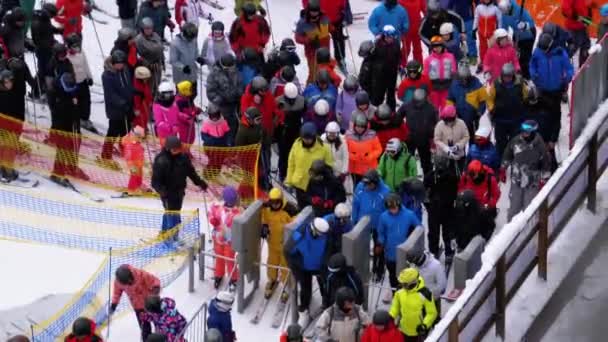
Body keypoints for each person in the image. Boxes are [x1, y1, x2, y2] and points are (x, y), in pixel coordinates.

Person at [151, 136, 208, 240]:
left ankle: (165, 232)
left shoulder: (183, 158)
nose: (177, 151)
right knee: (173, 215)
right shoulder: (161, 161)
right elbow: (155, 181)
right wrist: (162, 191)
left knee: (173, 212)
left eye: (178, 149)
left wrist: (200, 182)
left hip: (179, 191)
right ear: (168, 149)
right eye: (174, 150)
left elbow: (191, 172)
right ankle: (171, 237)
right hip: (167, 193)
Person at [284, 217, 331, 327]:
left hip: (319, 266)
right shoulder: (300, 234)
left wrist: (325, 263)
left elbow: (330, 248)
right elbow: (287, 250)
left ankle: (327, 306)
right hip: (304, 267)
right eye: (320, 234)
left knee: (326, 285)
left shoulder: (326, 234)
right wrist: (298, 266)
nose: (322, 236)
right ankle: (304, 311)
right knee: (305, 288)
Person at [529, 32, 574, 144]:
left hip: (556, 89)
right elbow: (532, 65)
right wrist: (534, 74)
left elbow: (569, 68)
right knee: (543, 113)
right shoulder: (537, 52)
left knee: (555, 113)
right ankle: (543, 134)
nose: (543, 51)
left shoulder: (560, 53)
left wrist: (567, 77)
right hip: (542, 88)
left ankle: (554, 136)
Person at [501, 120, 551, 219]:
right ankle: (511, 230)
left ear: (533, 132)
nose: (524, 133)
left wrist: (544, 180)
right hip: (517, 178)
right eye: (523, 130)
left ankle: (529, 230)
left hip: (532, 181)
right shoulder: (515, 141)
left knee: (529, 208)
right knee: (514, 207)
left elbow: (546, 164)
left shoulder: (540, 145)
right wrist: (503, 167)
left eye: (527, 131)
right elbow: (507, 154)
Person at [377, 193, 421, 298]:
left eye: (394, 207)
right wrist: (381, 243)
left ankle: (407, 295)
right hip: (390, 253)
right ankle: (395, 295)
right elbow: (381, 233)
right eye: (390, 208)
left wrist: (412, 241)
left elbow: (419, 228)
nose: (392, 210)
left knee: (405, 276)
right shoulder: (383, 217)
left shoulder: (409, 215)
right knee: (393, 276)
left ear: (399, 205)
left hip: (405, 254)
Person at [49, 72, 89, 184]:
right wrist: (70, 104)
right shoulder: (55, 92)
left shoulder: (73, 89)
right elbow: (56, 110)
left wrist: (78, 106)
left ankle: (71, 168)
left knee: (74, 147)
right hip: (61, 127)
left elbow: (79, 103)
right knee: (62, 151)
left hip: (74, 125)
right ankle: (57, 173)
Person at [99, 50, 134, 171]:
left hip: (127, 106)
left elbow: (128, 85)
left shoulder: (125, 70)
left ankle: (123, 147)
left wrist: (132, 95)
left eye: (122, 63)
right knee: (113, 131)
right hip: (115, 109)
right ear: (113, 63)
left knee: (126, 130)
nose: (121, 65)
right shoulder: (107, 75)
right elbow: (110, 94)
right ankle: (106, 153)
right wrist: (121, 103)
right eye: (118, 63)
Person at [486, 62, 529, 159]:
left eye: (509, 76)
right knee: (501, 144)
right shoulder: (496, 84)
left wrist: (525, 103)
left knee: (516, 142)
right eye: (505, 76)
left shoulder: (520, 83)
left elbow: (526, 95)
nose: (507, 78)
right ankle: (501, 162)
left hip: (516, 119)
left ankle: (515, 161)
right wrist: (492, 108)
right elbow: (489, 99)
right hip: (501, 120)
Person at [286, 122, 334, 206]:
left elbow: (329, 167)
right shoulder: (296, 145)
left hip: (316, 186)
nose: (307, 141)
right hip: (300, 184)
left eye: (309, 138)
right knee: (301, 208)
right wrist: (289, 181)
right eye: (305, 138)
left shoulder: (324, 148)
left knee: (315, 209)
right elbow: (291, 164)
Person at [261, 188, 297, 299]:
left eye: (277, 202)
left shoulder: (289, 209)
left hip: (285, 245)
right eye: (273, 202)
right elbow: (264, 219)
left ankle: (286, 284)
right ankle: (272, 279)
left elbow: (296, 224)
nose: (275, 205)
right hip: (272, 242)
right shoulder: (267, 208)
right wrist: (264, 227)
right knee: (272, 262)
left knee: (285, 265)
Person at [110, 264, 161, 341]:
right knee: (144, 328)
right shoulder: (118, 282)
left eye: (131, 280)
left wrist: (155, 291)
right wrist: (114, 304)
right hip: (138, 307)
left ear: (131, 275)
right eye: (127, 283)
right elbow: (117, 293)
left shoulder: (140, 274)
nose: (130, 282)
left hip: (150, 304)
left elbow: (155, 281)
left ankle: (161, 338)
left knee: (159, 323)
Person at [424, 156, 459, 259]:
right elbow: (424, 193)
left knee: (442, 233)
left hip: (443, 209)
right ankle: (443, 252)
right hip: (441, 209)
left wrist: (428, 205)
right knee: (441, 232)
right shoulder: (451, 176)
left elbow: (423, 193)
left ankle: (440, 251)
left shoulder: (450, 177)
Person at [398, 88, 437, 176]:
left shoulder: (431, 108)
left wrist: (432, 132)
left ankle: (428, 181)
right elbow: (398, 117)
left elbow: (437, 122)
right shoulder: (407, 105)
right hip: (410, 138)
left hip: (424, 139)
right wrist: (403, 130)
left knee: (426, 163)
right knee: (407, 161)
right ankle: (406, 179)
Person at [389, 268, 438, 340]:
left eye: (405, 284)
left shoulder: (425, 293)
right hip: (403, 329)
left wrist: (425, 325)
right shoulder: (400, 291)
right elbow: (395, 306)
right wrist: (391, 316)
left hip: (418, 332)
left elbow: (432, 313)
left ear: (413, 282)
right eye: (401, 283)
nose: (402, 286)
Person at [207, 53, 245, 143]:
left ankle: (232, 143)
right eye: (228, 69)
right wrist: (221, 99)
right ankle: (224, 144)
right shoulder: (213, 75)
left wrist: (239, 94)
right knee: (223, 128)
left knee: (234, 126)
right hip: (222, 106)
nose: (231, 70)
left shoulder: (236, 71)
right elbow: (210, 92)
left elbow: (240, 84)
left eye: (232, 67)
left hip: (235, 104)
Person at [209, 186, 242, 290]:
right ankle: (219, 274)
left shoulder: (237, 212)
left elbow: (235, 224)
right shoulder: (218, 207)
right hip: (218, 238)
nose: (231, 204)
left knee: (229, 259)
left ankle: (233, 278)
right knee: (219, 257)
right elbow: (211, 214)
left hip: (229, 240)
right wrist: (213, 220)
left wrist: (226, 229)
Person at [458, 159, 501, 239]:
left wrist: (489, 204)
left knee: (484, 220)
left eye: (473, 174)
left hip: (484, 207)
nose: (471, 176)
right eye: (470, 174)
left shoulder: (490, 179)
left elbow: (496, 195)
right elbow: (460, 189)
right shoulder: (467, 177)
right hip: (471, 204)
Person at [446, 59, 485, 140]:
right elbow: (450, 99)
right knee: (460, 140)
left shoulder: (476, 83)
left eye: (466, 78)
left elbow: (483, 99)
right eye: (462, 78)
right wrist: (451, 111)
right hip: (459, 117)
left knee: (473, 139)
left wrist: (480, 111)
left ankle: (472, 151)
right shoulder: (454, 84)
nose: (464, 80)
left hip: (473, 118)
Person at [64, 33, 95, 134]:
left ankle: (85, 118)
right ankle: (76, 119)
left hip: (83, 81)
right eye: (74, 46)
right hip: (74, 84)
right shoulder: (66, 57)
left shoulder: (81, 53)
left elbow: (85, 64)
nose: (77, 48)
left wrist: (89, 76)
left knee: (86, 101)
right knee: (76, 103)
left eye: (78, 46)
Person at [497, 0, 536, 79]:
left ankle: (527, 75)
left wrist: (525, 25)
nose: (505, 13)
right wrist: (502, 36)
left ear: (509, 7)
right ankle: (516, 70)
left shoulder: (520, 10)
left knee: (525, 56)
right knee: (516, 55)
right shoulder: (504, 14)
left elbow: (532, 23)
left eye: (506, 11)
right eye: (504, 12)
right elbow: (504, 28)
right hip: (517, 35)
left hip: (528, 34)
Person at [295, 0, 331, 83]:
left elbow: (329, 27)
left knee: (325, 72)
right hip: (312, 52)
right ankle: (310, 90)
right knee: (313, 74)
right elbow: (297, 38)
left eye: (316, 12)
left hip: (325, 50)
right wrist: (308, 40)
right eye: (312, 12)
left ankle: (323, 88)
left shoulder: (324, 17)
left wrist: (335, 31)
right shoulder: (302, 22)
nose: (314, 15)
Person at [30, 3, 61, 99]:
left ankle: (44, 89)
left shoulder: (45, 19)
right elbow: (37, 40)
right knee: (42, 72)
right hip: (42, 51)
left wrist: (59, 30)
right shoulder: (38, 21)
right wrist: (51, 44)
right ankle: (35, 92)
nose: (52, 18)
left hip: (48, 50)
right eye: (52, 15)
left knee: (49, 70)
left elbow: (49, 29)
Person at [277, 82, 306, 180]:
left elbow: (305, 112)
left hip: (296, 129)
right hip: (284, 131)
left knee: (296, 153)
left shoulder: (301, 101)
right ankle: (282, 173)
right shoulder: (278, 101)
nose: (292, 101)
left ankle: (294, 172)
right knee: (283, 154)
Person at [369, 25, 402, 110]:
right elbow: (371, 58)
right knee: (379, 93)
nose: (390, 39)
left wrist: (399, 65)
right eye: (388, 37)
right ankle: (376, 109)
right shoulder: (378, 44)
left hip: (392, 72)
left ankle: (391, 110)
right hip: (380, 73)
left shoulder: (396, 44)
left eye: (391, 37)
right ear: (384, 36)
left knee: (391, 93)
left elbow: (398, 56)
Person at [345, 114, 383, 183]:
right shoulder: (348, 135)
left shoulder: (372, 135)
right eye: (358, 126)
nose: (359, 129)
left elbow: (379, 149)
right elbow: (344, 150)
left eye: (362, 127)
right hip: (354, 169)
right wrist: (352, 156)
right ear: (354, 126)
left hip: (370, 168)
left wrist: (370, 156)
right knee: (357, 188)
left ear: (366, 127)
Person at [433, 104, 469, 174]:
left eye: (451, 120)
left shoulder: (461, 123)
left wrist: (458, 146)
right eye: (447, 120)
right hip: (444, 157)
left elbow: (466, 136)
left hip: (459, 156)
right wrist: (446, 148)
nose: (449, 123)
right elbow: (437, 140)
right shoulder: (439, 125)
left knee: (458, 176)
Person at [423, 36, 456, 110]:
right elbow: (425, 75)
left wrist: (453, 86)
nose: (437, 48)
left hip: (447, 88)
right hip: (434, 89)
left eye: (439, 46)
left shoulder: (450, 56)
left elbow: (453, 72)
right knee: (434, 110)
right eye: (434, 46)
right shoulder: (428, 60)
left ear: (443, 46)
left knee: (447, 109)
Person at [0, 69, 22, 181]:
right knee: (8, 150)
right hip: (4, 128)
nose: (9, 84)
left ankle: (5, 169)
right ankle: (7, 172)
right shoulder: (3, 95)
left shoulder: (11, 93)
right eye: (7, 82)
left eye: (10, 81)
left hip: (10, 127)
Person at [136, 17, 165, 95]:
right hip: (147, 68)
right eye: (147, 28)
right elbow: (139, 56)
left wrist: (162, 61)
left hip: (157, 66)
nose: (149, 30)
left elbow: (160, 49)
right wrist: (148, 64)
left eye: (150, 28)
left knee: (157, 86)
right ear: (142, 29)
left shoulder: (155, 35)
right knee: (148, 89)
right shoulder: (139, 40)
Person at [170, 22, 200, 93]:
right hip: (181, 76)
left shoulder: (193, 40)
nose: (191, 40)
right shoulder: (175, 44)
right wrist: (183, 67)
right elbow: (173, 60)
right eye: (189, 38)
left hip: (192, 74)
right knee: (182, 99)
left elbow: (195, 51)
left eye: (192, 38)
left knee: (193, 94)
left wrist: (198, 58)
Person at [473, 0, 502, 73]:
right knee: (482, 48)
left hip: (492, 33)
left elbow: (500, 20)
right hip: (481, 32)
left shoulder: (495, 8)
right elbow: (476, 18)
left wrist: (499, 32)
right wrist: (474, 29)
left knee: (493, 48)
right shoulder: (479, 7)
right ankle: (483, 63)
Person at [561, 0, 592, 65]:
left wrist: (589, 15)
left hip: (582, 26)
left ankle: (583, 67)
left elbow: (589, 3)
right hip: (573, 28)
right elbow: (565, 9)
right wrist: (575, 16)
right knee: (572, 48)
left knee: (586, 46)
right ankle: (561, 66)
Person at [446, 0, 476, 65]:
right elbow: (449, 8)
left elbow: (477, 2)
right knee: (456, 39)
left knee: (470, 38)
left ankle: (473, 56)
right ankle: (458, 56)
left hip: (468, 18)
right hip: (456, 21)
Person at [174, 81, 201, 147]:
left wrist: (196, 109)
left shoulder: (188, 98)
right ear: (184, 90)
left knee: (191, 138)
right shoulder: (178, 101)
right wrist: (187, 117)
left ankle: (187, 151)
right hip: (183, 125)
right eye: (190, 89)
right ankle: (183, 153)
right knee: (185, 140)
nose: (191, 91)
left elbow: (191, 108)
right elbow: (177, 114)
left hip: (190, 123)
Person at [121, 126, 146, 195]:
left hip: (139, 162)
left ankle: (137, 187)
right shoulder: (129, 144)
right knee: (134, 175)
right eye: (139, 137)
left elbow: (139, 151)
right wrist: (131, 164)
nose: (140, 139)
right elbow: (128, 155)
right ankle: (131, 189)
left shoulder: (137, 143)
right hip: (132, 163)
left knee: (139, 175)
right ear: (135, 135)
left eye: (141, 138)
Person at [399, 0, 425, 65]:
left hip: (417, 28)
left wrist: (428, 18)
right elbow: (397, 13)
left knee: (418, 49)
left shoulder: (420, 0)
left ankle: (418, 65)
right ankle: (402, 65)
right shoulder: (400, 1)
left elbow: (425, 10)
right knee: (406, 48)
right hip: (406, 30)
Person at [153, 81, 179, 147]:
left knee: (174, 148)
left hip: (174, 132)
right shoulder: (157, 106)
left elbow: (177, 113)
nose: (169, 96)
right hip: (164, 133)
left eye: (170, 94)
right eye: (166, 95)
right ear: (161, 95)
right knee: (166, 149)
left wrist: (184, 117)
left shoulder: (173, 103)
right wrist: (170, 128)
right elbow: (159, 122)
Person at [133, 66, 154, 133]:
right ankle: (140, 134)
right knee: (140, 121)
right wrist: (137, 109)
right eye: (145, 78)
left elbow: (148, 92)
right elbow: (136, 99)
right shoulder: (137, 87)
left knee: (145, 119)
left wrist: (150, 100)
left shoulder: (144, 83)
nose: (146, 80)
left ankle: (145, 130)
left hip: (145, 106)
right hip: (141, 107)